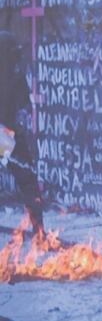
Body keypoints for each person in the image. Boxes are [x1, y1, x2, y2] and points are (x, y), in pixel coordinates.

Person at [0, 31, 44, 237]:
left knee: (27, 179)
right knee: (27, 180)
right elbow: (24, 105)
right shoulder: (15, 73)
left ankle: (39, 229)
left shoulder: (15, 74)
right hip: (6, 134)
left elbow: (23, 105)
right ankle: (39, 230)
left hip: (7, 134)